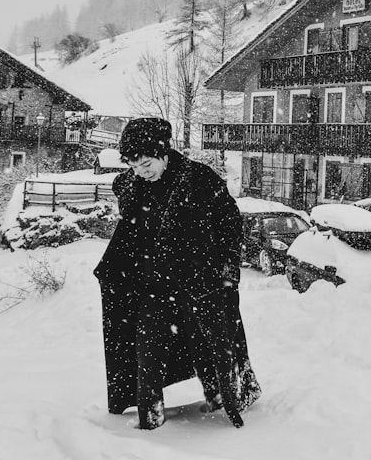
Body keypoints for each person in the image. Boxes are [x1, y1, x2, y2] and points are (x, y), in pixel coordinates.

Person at [93, 117, 261, 430]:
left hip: (200, 283)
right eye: (134, 165)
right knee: (148, 352)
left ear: (164, 152)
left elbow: (230, 222)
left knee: (215, 348)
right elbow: (126, 202)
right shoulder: (133, 183)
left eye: (146, 163)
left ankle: (229, 396)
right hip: (153, 285)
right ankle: (151, 417)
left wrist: (226, 270)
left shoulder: (199, 178)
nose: (142, 171)